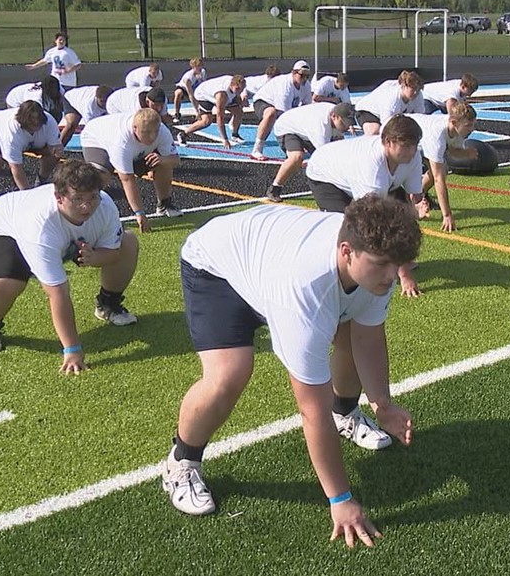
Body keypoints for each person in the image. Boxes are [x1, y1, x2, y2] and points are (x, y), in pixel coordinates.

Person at [162, 195, 420, 542]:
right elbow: (311, 408)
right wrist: (340, 498)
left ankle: (345, 412)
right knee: (229, 374)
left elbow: (367, 337)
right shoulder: (305, 288)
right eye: (382, 264)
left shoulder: (373, 264)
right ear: (347, 251)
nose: (391, 276)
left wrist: (383, 404)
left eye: (398, 265)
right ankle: (182, 461)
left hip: (268, 254)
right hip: (218, 269)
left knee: (348, 328)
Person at [0, 159, 139, 368]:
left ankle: (108, 304)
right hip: (5, 227)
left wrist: (94, 257)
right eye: (77, 199)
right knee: (6, 284)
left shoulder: (105, 205)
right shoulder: (40, 227)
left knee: (128, 241)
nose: (87, 206)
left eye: (92, 197)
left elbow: (114, 252)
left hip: (57, 237)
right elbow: (57, 293)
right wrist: (72, 349)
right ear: (59, 198)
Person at [305, 115, 426, 297]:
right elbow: (375, 218)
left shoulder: (413, 156)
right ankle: (335, 272)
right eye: (406, 146)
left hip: (361, 176)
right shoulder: (371, 165)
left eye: (414, 145)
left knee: (400, 216)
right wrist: (404, 273)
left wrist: (416, 208)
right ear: (387, 142)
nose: (412, 151)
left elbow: (411, 197)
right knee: (345, 225)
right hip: (324, 174)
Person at [80, 108, 183, 230]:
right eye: (146, 132)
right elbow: (127, 179)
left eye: (155, 131)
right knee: (100, 177)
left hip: (133, 150)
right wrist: (140, 213)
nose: (152, 137)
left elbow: (176, 160)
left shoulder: (163, 132)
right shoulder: (121, 142)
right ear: (135, 128)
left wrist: (162, 159)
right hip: (96, 139)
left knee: (163, 163)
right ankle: (87, 214)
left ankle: (164, 204)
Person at [264, 102, 357, 202]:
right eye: (344, 123)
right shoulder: (320, 127)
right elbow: (325, 155)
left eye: (349, 124)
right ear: (334, 116)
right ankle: (275, 188)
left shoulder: (335, 113)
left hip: (304, 128)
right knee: (297, 157)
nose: (346, 127)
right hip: (287, 128)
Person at [408, 102, 478, 231]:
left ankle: (418, 195)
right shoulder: (437, 134)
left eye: (473, 124)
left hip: (416, 143)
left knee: (443, 169)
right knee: (400, 176)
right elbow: (438, 179)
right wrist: (447, 215)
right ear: (454, 123)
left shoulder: (456, 128)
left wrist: (465, 153)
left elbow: (452, 150)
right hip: (400, 136)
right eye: (468, 125)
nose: (472, 129)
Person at [0, 101, 64, 198]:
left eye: (37, 120)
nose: (35, 123)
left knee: (53, 153)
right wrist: (28, 196)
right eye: (31, 121)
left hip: (28, 141)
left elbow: (57, 151)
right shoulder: (11, 132)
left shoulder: (49, 122)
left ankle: (41, 182)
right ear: (22, 121)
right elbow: (16, 167)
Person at [250, 60, 313, 161]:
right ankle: (257, 149)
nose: (304, 78)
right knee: (271, 114)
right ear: (294, 72)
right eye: (302, 75)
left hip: (284, 107)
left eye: (307, 76)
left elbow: (306, 109)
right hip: (263, 101)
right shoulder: (285, 87)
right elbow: (284, 117)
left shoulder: (306, 85)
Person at [183, 74, 247, 150]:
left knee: (239, 112)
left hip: (213, 91)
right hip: (203, 95)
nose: (240, 91)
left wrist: (242, 99)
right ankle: (184, 134)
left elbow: (239, 92)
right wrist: (225, 139)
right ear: (232, 85)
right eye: (238, 89)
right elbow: (220, 117)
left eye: (242, 89)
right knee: (206, 121)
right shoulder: (222, 95)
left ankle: (235, 135)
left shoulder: (236, 84)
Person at [355, 70, 425, 136]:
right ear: (404, 86)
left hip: (392, 115)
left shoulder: (418, 95)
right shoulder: (392, 100)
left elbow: (420, 118)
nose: (416, 92)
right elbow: (387, 126)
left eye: (418, 89)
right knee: (374, 132)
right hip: (367, 111)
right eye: (413, 89)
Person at [172, 57, 207, 122]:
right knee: (178, 93)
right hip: (184, 89)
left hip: (196, 88)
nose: (200, 68)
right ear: (193, 67)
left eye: (201, 65)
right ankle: (177, 113)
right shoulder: (188, 78)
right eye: (198, 66)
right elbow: (190, 95)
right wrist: (196, 111)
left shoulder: (203, 72)